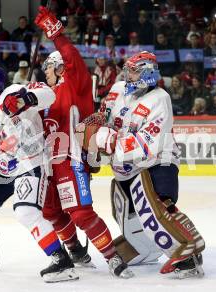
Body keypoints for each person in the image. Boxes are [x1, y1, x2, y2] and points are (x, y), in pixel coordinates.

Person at [34, 6, 133, 279]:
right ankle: (75, 250)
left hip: (71, 159)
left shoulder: (74, 84)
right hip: (48, 165)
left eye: (48, 68)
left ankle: (113, 258)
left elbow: (72, 56)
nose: (45, 73)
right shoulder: (46, 94)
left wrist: (55, 33)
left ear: (59, 67)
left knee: (79, 213)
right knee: (49, 210)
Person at [87, 51, 205, 279]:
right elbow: (105, 118)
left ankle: (188, 253)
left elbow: (147, 144)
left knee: (157, 206)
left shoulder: (160, 99)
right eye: (127, 69)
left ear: (147, 73)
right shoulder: (118, 90)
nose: (126, 74)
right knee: (126, 213)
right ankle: (143, 248)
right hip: (125, 167)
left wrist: (109, 142)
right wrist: (94, 138)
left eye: (133, 70)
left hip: (158, 161)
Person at [0, 65, 78, 282]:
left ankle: (61, 260)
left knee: (25, 212)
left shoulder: (13, 91)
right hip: (4, 168)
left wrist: (25, 100)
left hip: (30, 162)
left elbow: (48, 94)